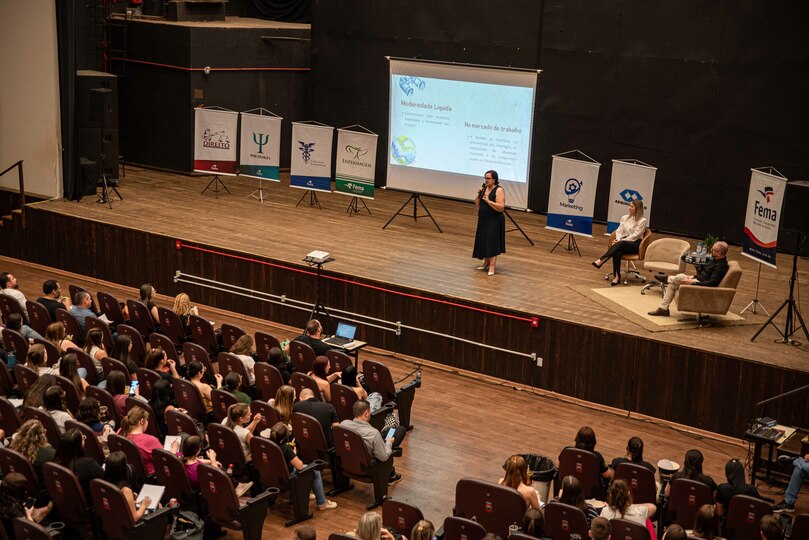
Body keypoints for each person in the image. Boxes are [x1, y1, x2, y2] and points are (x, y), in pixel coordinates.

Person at [649, 241, 730, 317]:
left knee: (679, 278)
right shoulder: (714, 260)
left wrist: (693, 283)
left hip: (703, 287)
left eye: (713, 250)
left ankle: (668, 279)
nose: (711, 250)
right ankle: (663, 308)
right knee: (673, 283)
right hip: (699, 281)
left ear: (719, 253)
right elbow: (705, 275)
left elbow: (712, 283)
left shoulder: (721, 266)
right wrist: (694, 277)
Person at [270, 422, 337, 510]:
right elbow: (299, 467)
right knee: (315, 472)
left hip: (275, 477)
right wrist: (294, 454)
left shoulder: (270, 445)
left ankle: (307, 494)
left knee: (307, 467)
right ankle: (322, 503)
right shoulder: (285, 449)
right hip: (289, 479)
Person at [340, 399, 405, 484]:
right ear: (366, 414)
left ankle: (389, 429)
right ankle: (390, 474)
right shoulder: (373, 433)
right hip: (370, 467)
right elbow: (384, 456)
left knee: (387, 432)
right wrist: (389, 442)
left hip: (348, 463)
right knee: (400, 430)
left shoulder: (343, 425)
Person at [592, 199, 647, 286]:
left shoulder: (642, 221)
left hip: (635, 244)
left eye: (632, 206)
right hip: (623, 242)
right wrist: (618, 239)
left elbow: (635, 236)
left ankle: (602, 259)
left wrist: (620, 241)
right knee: (617, 251)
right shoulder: (625, 217)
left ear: (638, 209)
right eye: (630, 206)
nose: (629, 208)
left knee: (620, 244)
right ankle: (617, 277)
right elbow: (619, 231)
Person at [120, 406, 176, 475]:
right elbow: (167, 460)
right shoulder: (150, 440)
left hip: (132, 474)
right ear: (142, 421)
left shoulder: (121, 432)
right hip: (154, 475)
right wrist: (174, 449)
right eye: (147, 419)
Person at [53, 428, 104, 501]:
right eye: (83, 438)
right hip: (91, 501)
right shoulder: (87, 464)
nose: (84, 439)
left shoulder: (56, 462)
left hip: (69, 502)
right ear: (79, 445)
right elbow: (104, 479)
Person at [473, 170, 506, 276]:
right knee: (483, 240)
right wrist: (479, 194)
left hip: (494, 220)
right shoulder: (484, 189)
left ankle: (492, 266)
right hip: (483, 219)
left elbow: (501, 207)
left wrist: (488, 201)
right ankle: (486, 262)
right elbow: (477, 203)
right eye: (485, 178)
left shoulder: (499, 190)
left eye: (488, 178)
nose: (486, 180)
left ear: (494, 179)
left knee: (492, 242)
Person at [0, 472, 53, 537]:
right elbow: (32, 531)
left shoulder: (4, 498)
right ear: (18, 492)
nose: (25, 492)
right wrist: (28, 514)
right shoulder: (14, 511)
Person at [104, 451, 151, 522]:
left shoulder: (104, 484)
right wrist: (144, 505)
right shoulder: (125, 490)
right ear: (123, 469)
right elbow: (135, 518)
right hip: (133, 529)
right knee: (159, 507)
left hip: (115, 523)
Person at [9, 419, 55, 490]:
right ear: (41, 435)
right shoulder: (50, 454)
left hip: (23, 486)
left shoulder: (14, 448)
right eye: (43, 430)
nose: (45, 430)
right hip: (42, 489)